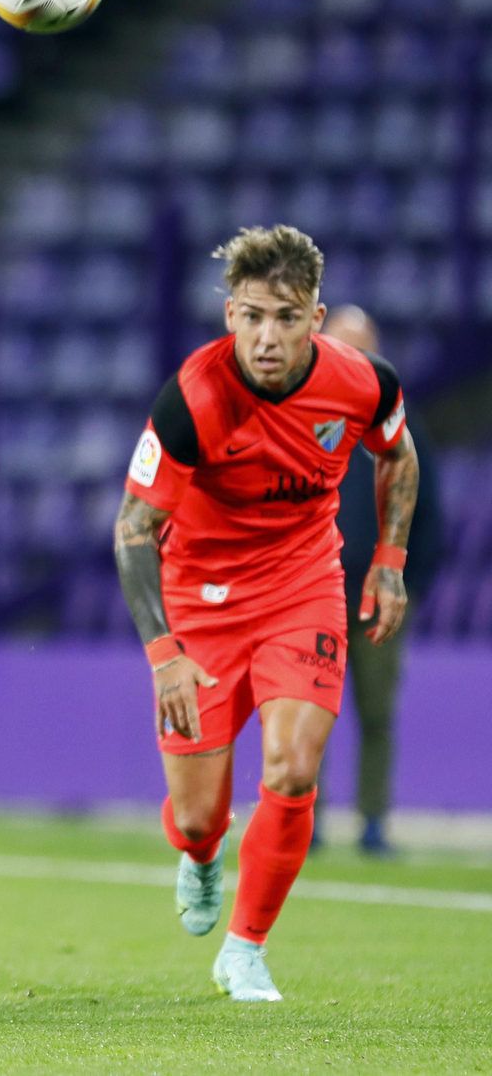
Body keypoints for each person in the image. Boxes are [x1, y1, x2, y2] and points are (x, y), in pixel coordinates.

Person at [113, 225, 417, 1002]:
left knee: (291, 766)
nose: (267, 336)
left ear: (315, 319)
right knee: (197, 813)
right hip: (201, 601)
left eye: (285, 316)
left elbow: (399, 454)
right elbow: (133, 529)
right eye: (251, 316)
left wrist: (389, 560)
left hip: (302, 584)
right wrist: (163, 652)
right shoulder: (194, 396)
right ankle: (202, 855)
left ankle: (246, 948)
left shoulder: (363, 383)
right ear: (228, 316)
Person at [318, 306, 442, 855]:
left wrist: (408, 584)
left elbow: (429, 516)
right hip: (314, 597)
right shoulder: (302, 423)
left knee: (376, 714)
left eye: (362, 347)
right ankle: (303, 821)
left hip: (376, 600)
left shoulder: (400, 430)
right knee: (307, 714)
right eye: (343, 346)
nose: (354, 358)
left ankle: (372, 822)